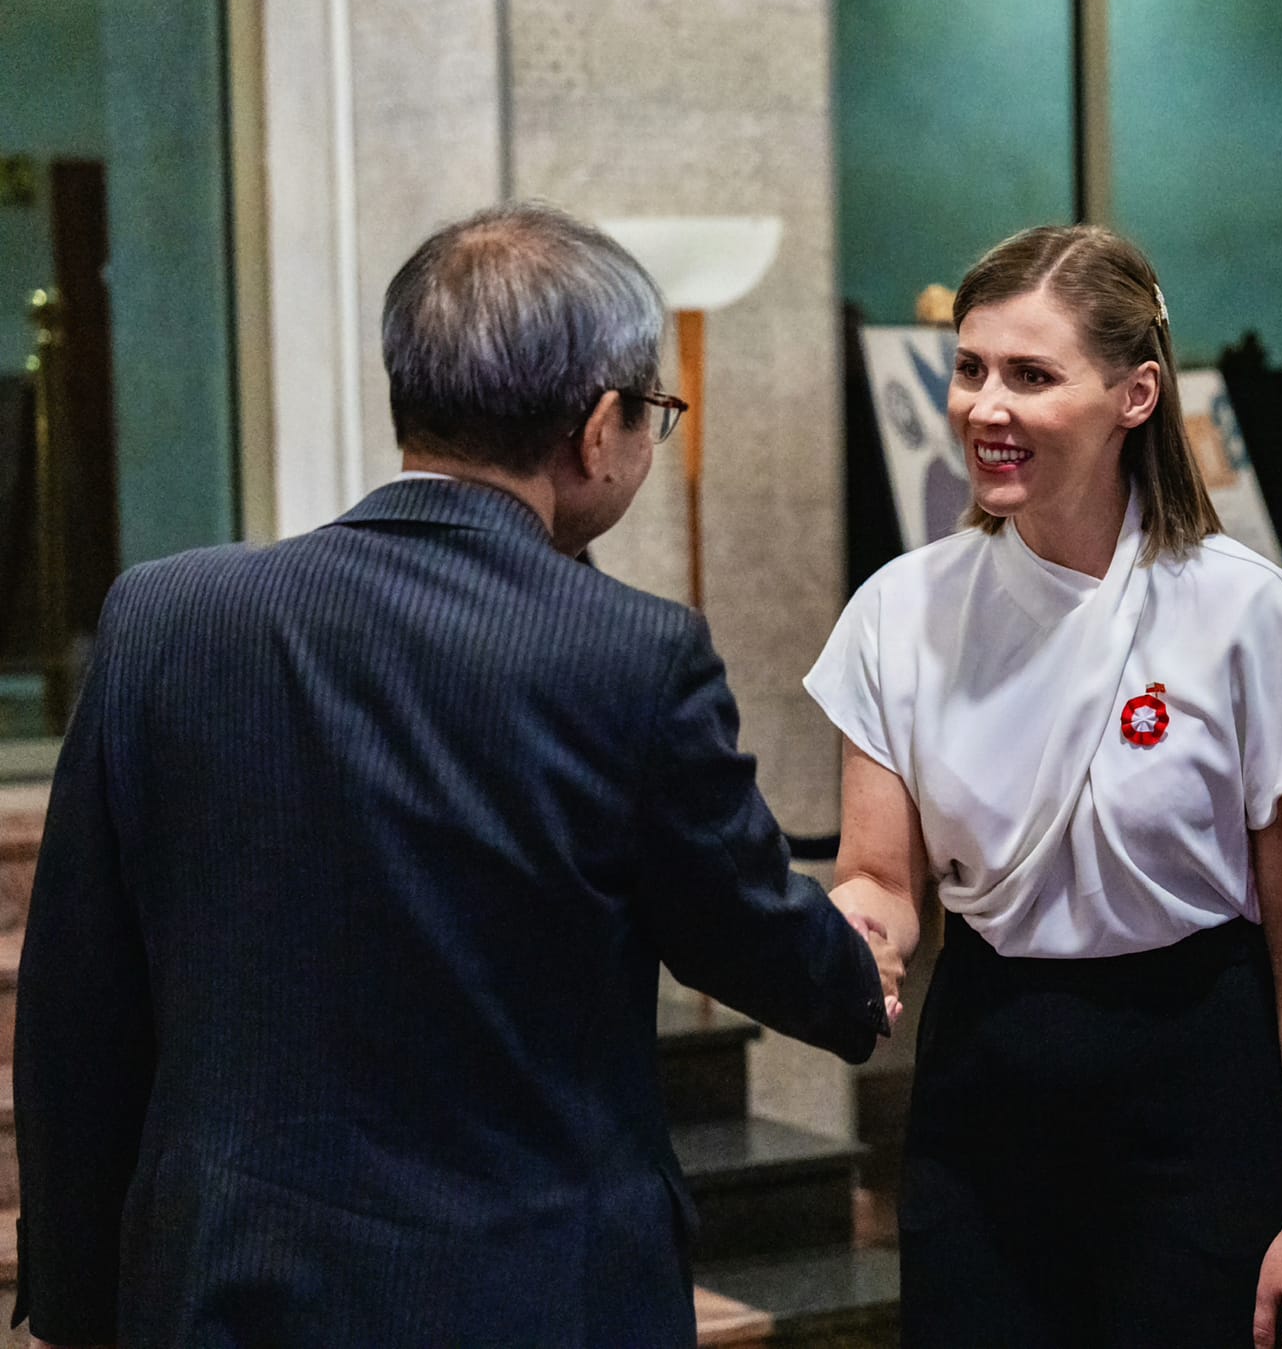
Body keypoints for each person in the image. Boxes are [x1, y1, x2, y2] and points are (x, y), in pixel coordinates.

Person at [12, 202, 899, 1349]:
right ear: (599, 429)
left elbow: (79, 1003)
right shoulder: (629, 656)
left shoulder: (165, 617)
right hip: (532, 1297)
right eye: (654, 417)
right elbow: (747, 930)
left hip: (229, 1287)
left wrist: (78, 1300)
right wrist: (857, 964)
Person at [805, 223, 1282, 1348]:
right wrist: (853, 938)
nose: (984, 407)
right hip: (985, 1073)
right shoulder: (899, 611)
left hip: (1195, 1079)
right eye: (969, 369)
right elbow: (879, 877)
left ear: (1135, 395)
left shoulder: (1241, 608)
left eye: (1030, 376)